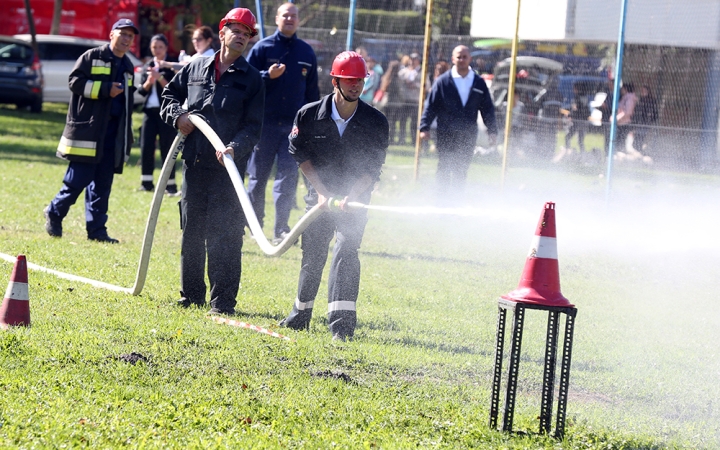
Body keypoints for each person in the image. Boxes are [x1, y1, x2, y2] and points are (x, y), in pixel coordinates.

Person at [160, 8, 264, 315]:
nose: (242, 37)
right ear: (221, 33)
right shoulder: (195, 67)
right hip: (194, 164)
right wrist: (179, 116)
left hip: (228, 171)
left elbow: (253, 127)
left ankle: (223, 302)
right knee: (192, 231)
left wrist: (234, 148)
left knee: (227, 235)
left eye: (247, 33)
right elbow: (168, 97)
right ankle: (191, 296)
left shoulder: (253, 79)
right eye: (236, 30)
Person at [279, 51, 389, 341]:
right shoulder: (308, 114)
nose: (355, 85)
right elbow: (298, 154)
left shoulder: (375, 121)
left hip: (355, 199)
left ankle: (341, 327)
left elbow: (373, 167)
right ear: (335, 81)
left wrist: (352, 196)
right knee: (312, 254)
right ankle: (299, 315)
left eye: (360, 80)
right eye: (349, 80)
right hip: (319, 197)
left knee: (346, 252)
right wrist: (322, 193)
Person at [43, 19, 139, 243]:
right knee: (77, 180)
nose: (126, 39)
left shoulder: (127, 66)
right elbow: (74, 82)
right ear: (111, 35)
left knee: (102, 186)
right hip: (88, 132)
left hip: (112, 135)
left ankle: (97, 232)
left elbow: (128, 100)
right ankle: (54, 213)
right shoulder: (91, 57)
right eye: (122, 34)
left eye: (130, 36)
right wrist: (106, 89)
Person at [247, 2, 319, 245]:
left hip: (294, 129)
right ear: (277, 19)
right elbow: (245, 80)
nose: (289, 19)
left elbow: (312, 94)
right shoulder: (262, 48)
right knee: (257, 178)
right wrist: (267, 75)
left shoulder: (307, 53)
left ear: (298, 20)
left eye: (293, 16)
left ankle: (282, 230)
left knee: (288, 178)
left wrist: (313, 125)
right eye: (285, 15)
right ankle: (255, 226)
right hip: (263, 125)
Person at [419, 45, 497, 198]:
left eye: (464, 57)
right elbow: (431, 105)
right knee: (444, 167)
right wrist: (424, 127)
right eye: (458, 57)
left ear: (470, 59)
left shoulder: (478, 82)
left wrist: (492, 131)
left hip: (467, 134)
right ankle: (441, 202)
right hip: (445, 133)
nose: (461, 60)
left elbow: (487, 108)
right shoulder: (442, 81)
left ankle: (456, 202)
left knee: (461, 169)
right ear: (453, 59)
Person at [137, 34, 179, 195]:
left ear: (166, 48)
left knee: (167, 148)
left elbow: (173, 89)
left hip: (166, 112)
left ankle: (170, 186)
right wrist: (149, 80)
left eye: (160, 47)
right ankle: (146, 183)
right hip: (149, 111)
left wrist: (159, 77)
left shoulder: (171, 65)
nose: (157, 50)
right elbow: (141, 90)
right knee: (146, 146)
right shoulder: (148, 65)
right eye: (154, 47)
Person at [563, 83, 590, 153]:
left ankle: (568, 152)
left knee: (567, 137)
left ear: (576, 89)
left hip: (577, 121)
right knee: (580, 141)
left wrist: (569, 115)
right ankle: (582, 154)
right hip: (584, 121)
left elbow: (575, 109)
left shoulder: (577, 97)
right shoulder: (585, 97)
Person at [631, 84, 658, 152]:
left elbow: (654, 112)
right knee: (637, 138)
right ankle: (638, 150)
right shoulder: (641, 99)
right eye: (642, 90)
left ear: (648, 91)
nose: (642, 92)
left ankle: (640, 150)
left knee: (641, 138)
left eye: (644, 90)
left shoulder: (651, 100)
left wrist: (651, 120)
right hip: (639, 122)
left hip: (645, 122)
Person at [615, 83, 637, 150]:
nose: (621, 90)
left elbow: (628, 112)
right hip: (621, 122)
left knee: (620, 141)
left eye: (622, 89)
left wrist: (617, 118)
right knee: (618, 140)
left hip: (624, 122)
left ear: (626, 89)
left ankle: (620, 153)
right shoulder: (625, 97)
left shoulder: (629, 98)